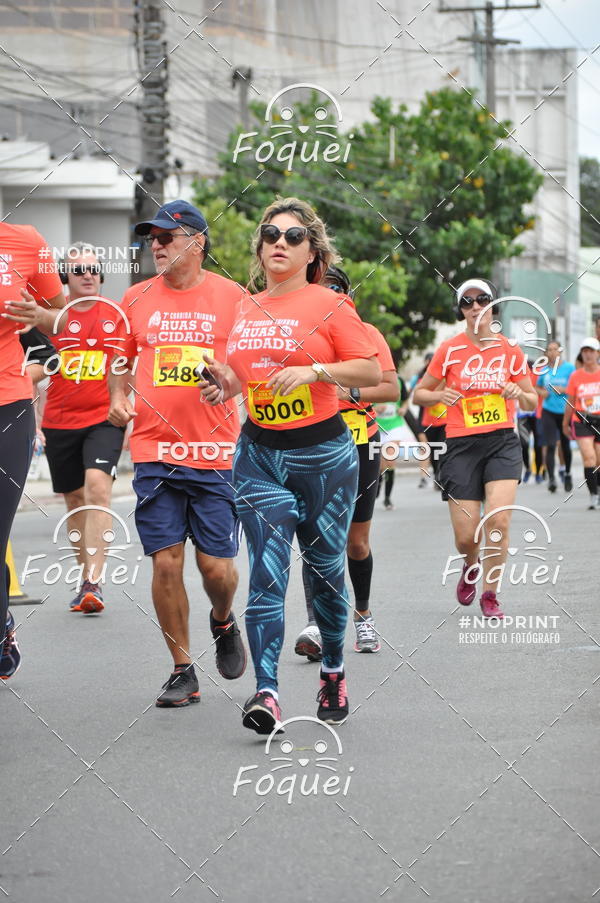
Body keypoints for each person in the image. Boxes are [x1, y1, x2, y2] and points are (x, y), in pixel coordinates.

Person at [201, 197, 381, 733]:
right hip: (258, 454)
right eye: (270, 233)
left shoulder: (329, 304)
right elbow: (239, 376)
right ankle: (267, 692)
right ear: (259, 247)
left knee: (325, 573)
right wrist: (222, 383)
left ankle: (332, 669)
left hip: (324, 455)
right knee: (266, 572)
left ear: (311, 251)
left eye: (293, 236)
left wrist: (313, 372)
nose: (280, 241)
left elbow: (370, 369)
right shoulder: (244, 307)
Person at [108, 200, 246, 707]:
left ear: (198, 241)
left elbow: (253, 363)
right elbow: (121, 361)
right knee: (166, 564)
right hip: (153, 450)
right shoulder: (136, 297)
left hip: (214, 451)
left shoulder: (233, 298)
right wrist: (118, 398)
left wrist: (230, 384)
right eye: (152, 238)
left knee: (217, 571)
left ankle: (223, 620)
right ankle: (182, 668)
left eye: (167, 235)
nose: (157, 245)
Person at [413, 278, 537, 619]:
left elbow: (531, 396)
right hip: (461, 445)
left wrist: (515, 392)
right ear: (461, 310)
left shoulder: (510, 349)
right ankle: (470, 562)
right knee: (467, 535)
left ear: (494, 305)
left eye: (482, 299)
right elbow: (418, 394)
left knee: (498, 522)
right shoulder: (449, 349)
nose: (475, 306)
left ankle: (491, 594)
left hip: (501, 442)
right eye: (467, 302)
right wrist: (438, 396)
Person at [294, 265, 399, 660]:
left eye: (336, 288)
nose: (329, 295)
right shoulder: (299, 334)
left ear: (347, 294)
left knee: (355, 543)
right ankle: (315, 625)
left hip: (360, 443)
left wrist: (350, 388)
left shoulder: (367, 334)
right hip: (314, 443)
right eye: (321, 288)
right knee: (317, 540)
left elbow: (390, 386)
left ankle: (364, 615)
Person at [40, 243, 126, 614]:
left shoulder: (117, 317)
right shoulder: (52, 319)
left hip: (103, 419)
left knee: (97, 487)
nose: (88, 275)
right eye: (79, 271)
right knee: (75, 500)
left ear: (102, 277)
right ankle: (85, 580)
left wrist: (125, 401)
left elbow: (127, 365)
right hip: (59, 422)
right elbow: (36, 368)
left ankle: (94, 581)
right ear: (65, 279)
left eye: (94, 269)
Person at [0, 223, 65, 680]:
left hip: (7, 402)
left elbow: (60, 311)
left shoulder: (25, 242)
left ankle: (1, 624)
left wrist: (35, 316)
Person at [562, 337, 600, 509]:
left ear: (597, 353)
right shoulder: (576, 376)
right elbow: (570, 401)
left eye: (591, 351)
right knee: (589, 457)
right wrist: (565, 424)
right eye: (585, 351)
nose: (588, 355)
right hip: (582, 420)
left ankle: (597, 488)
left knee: (598, 458)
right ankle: (593, 495)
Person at [536, 340, 574, 493]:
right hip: (548, 411)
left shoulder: (569, 369)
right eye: (549, 350)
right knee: (550, 444)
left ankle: (567, 473)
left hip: (565, 411)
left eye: (555, 349)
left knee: (565, 445)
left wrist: (564, 389)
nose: (552, 353)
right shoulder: (544, 371)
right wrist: (542, 392)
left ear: (560, 351)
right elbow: (537, 386)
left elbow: (576, 387)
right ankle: (551, 478)